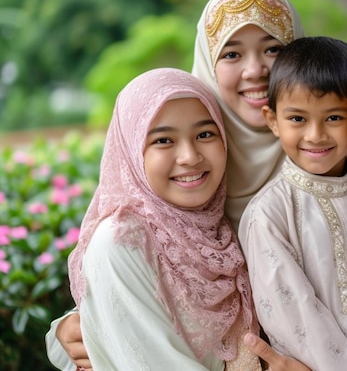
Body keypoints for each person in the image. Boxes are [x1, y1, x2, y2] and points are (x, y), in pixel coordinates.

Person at [46, 0, 347, 370]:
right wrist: (72, 324)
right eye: (231, 53)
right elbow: (150, 271)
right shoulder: (194, 170)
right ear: (206, 64)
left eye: (273, 49)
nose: (255, 69)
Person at [66, 67, 261, 370]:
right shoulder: (121, 242)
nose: (189, 156)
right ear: (132, 150)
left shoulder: (219, 229)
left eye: (205, 134)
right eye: (163, 140)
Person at [239, 36, 347, 370]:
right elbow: (298, 323)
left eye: (333, 118)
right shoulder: (270, 215)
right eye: (297, 119)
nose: (315, 135)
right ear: (272, 120)